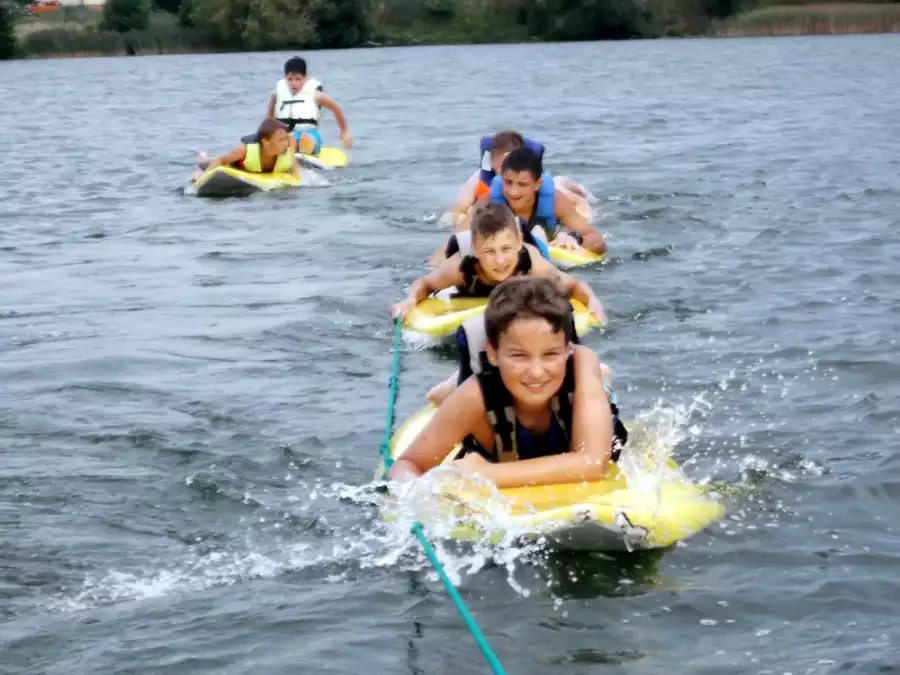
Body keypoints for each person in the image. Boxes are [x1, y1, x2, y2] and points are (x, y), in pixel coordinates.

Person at [387, 276, 628, 489]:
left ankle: (600, 379)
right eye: (519, 355)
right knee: (468, 390)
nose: (536, 372)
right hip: (495, 394)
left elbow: (593, 463)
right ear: (492, 353)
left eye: (551, 354)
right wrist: (413, 491)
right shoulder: (474, 398)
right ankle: (457, 380)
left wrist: (483, 474)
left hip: (581, 387)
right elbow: (407, 464)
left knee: (597, 374)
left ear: (568, 349)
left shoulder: (582, 363)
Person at [267, 56, 353, 157]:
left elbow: (336, 109)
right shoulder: (277, 94)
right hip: (287, 136)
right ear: (285, 77)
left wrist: (345, 131)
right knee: (290, 139)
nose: (293, 83)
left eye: (298, 79)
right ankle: (288, 157)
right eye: (290, 79)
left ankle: (303, 159)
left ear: (305, 77)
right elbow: (269, 116)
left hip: (309, 136)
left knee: (304, 140)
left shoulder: (316, 95)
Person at [192, 119, 300, 182]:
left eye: (286, 139)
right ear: (265, 142)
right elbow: (221, 161)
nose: (286, 143)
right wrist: (203, 176)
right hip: (237, 164)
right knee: (205, 164)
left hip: (259, 169)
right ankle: (204, 158)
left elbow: (296, 170)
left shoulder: (287, 150)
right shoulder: (244, 150)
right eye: (281, 140)